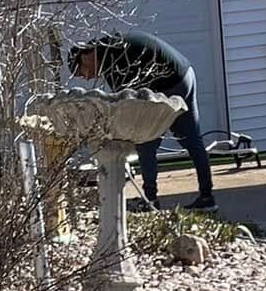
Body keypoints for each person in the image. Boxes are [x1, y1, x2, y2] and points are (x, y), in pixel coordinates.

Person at [68, 31, 217, 213]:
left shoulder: (114, 60)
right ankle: (207, 197)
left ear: (85, 56)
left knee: (145, 141)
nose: (87, 78)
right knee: (192, 141)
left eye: (81, 72)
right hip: (186, 74)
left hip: (169, 84)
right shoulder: (110, 48)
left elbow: (125, 105)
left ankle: (150, 199)